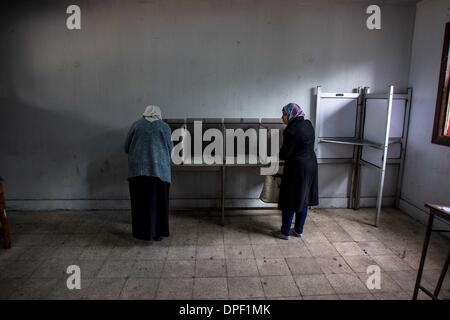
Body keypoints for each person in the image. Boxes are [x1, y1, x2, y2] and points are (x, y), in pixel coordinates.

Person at [124, 105, 174, 241]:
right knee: (159, 204)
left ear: (145, 113)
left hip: (137, 172)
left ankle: (140, 233)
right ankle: (157, 233)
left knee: (139, 204)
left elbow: (126, 147)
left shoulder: (136, 125)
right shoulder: (164, 127)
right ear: (158, 114)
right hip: (160, 172)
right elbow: (171, 150)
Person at [272, 103, 318, 240]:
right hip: (311, 165)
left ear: (292, 114)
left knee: (289, 199)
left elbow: (285, 154)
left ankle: (285, 232)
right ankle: (298, 230)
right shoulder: (308, 124)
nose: (282, 117)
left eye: (285, 114)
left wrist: (274, 155)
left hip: (296, 168)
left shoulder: (291, 130)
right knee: (303, 198)